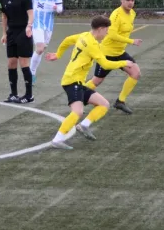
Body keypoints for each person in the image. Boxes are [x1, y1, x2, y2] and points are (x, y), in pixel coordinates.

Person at [45, 15, 133, 150]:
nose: (107, 33)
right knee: (77, 112)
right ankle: (57, 140)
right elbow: (105, 64)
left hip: (77, 82)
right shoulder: (92, 45)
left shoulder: (84, 35)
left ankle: (84, 125)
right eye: (106, 30)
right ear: (101, 29)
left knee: (104, 104)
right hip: (72, 80)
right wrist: (124, 63)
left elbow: (67, 40)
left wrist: (58, 54)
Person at [84, 0, 142, 114]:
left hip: (120, 53)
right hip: (106, 54)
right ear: (121, 0)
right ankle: (78, 97)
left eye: (132, 0)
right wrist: (132, 41)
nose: (131, 3)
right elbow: (112, 35)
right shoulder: (116, 15)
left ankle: (120, 102)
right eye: (128, 0)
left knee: (136, 73)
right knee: (97, 81)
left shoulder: (132, 14)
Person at [0, 0, 35, 104]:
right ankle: (13, 94)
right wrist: (4, 33)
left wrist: (29, 26)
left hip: (23, 32)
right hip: (11, 33)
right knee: (11, 63)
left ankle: (29, 95)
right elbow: (4, 16)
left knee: (24, 63)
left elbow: (31, 14)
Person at [28, 0, 63, 84]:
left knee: (41, 50)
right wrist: (27, 22)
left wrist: (56, 8)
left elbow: (60, 8)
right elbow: (26, 4)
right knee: (40, 47)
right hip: (37, 23)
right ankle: (31, 73)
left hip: (49, 24)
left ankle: (31, 71)